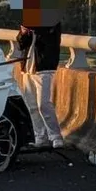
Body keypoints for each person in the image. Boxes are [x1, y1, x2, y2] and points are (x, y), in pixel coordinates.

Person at [14, 21, 65, 149]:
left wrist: (30, 27)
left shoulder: (52, 22)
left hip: (44, 67)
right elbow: (21, 44)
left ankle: (55, 136)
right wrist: (24, 33)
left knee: (44, 104)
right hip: (28, 67)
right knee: (31, 105)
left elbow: (48, 38)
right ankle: (40, 136)